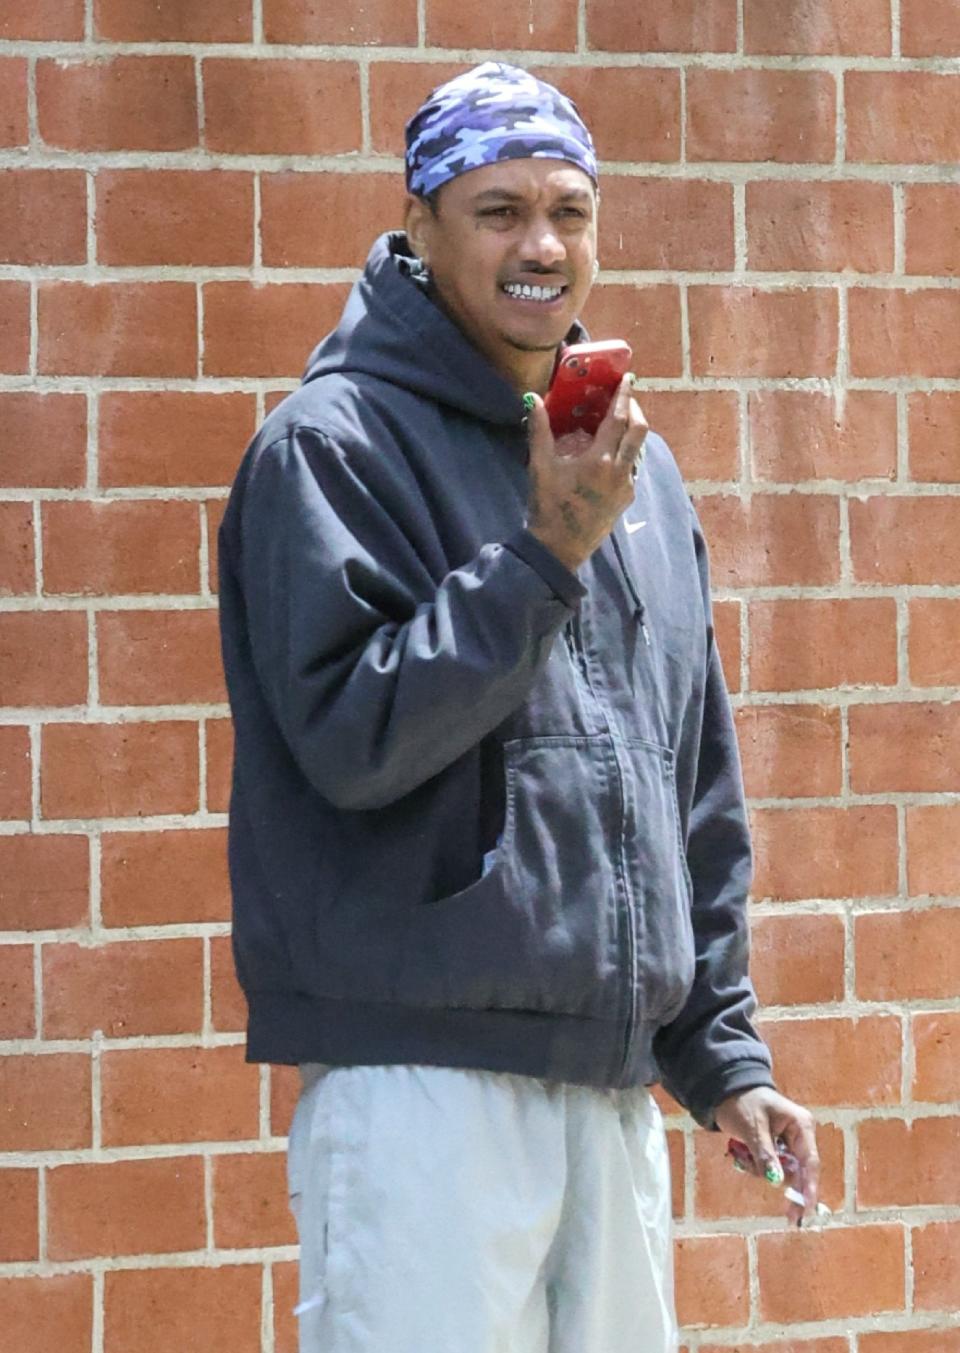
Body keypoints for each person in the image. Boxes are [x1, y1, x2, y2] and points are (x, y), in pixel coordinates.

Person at [217, 61, 819, 1353]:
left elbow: (688, 782)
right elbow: (353, 738)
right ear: (421, 226)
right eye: (497, 210)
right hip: (420, 1087)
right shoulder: (330, 447)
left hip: (607, 1094)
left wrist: (722, 1056)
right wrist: (542, 557)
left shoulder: (629, 478)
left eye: (568, 210)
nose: (541, 244)